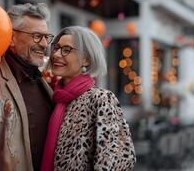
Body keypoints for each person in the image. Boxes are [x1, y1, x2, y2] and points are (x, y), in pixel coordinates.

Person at [0, 3, 54, 171]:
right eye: (37, 36)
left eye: (46, 37)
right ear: (12, 37)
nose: (45, 45)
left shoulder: (43, 81)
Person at [41, 26, 136, 171]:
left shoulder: (101, 99)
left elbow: (116, 162)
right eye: (56, 47)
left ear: (86, 59)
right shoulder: (56, 98)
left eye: (66, 49)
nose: (57, 54)